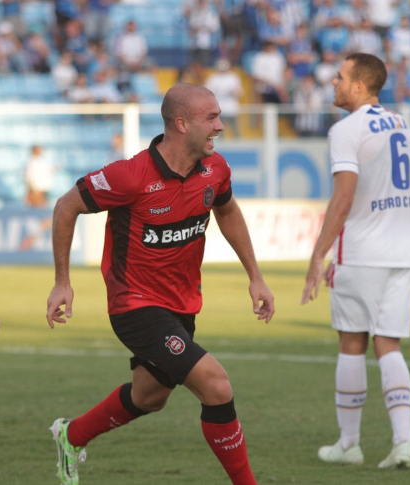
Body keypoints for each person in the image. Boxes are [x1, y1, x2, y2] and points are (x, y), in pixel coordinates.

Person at [45, 82, 275, 485]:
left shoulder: (215, 170)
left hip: (182, 305)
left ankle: (71, 434)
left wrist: (255, 276)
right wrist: (62, 281)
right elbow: (67, 206)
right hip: (134, 305)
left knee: (149, 397)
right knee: (217, 386)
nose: (221, 125)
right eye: (212, 118)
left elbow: (229, 211)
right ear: (182, 124)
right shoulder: (130, 176)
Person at [301, 53, 410, 470]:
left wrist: (319, 255)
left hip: (364, 250)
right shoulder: (400, 122)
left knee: (352, 342)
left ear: (359, 86)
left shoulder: (345, 130)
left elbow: (344, 197)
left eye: (340, 76)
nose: (332, 81)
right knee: (389, 344)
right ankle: (403, 443)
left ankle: (349, 444)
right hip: (403, 251)